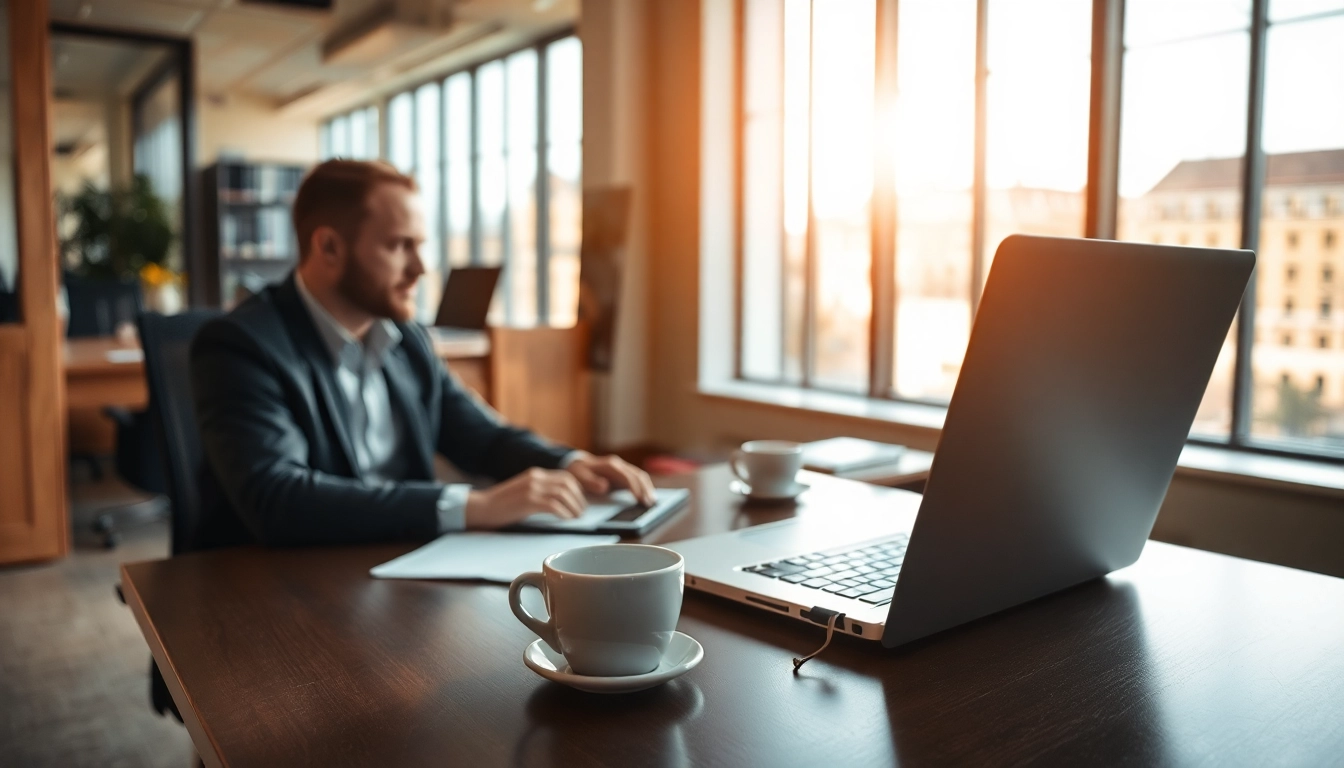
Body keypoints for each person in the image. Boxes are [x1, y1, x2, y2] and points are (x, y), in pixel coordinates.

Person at [189, 159, 654, 550]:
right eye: (399, 246)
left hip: (394, 566)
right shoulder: (242, 345)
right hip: (277, 591)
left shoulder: (406, 338)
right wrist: (475, 506)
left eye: (421, 246)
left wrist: (568, 463)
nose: (421, 269)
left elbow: (480, 435)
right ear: (329, 247)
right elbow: (278, 498)